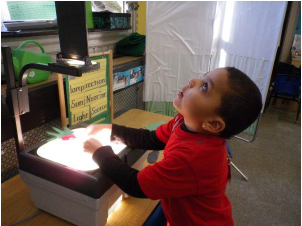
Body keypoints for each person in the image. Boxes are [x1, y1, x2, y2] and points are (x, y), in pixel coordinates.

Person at [83, 67, 263, 226]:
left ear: (213, 124)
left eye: (205, 86)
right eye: (203, 76)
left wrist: (100, 153)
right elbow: (151, 138)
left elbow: (135, 185)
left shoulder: (193, 159)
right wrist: (111, 130)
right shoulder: (183, 121)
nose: (193, 80)